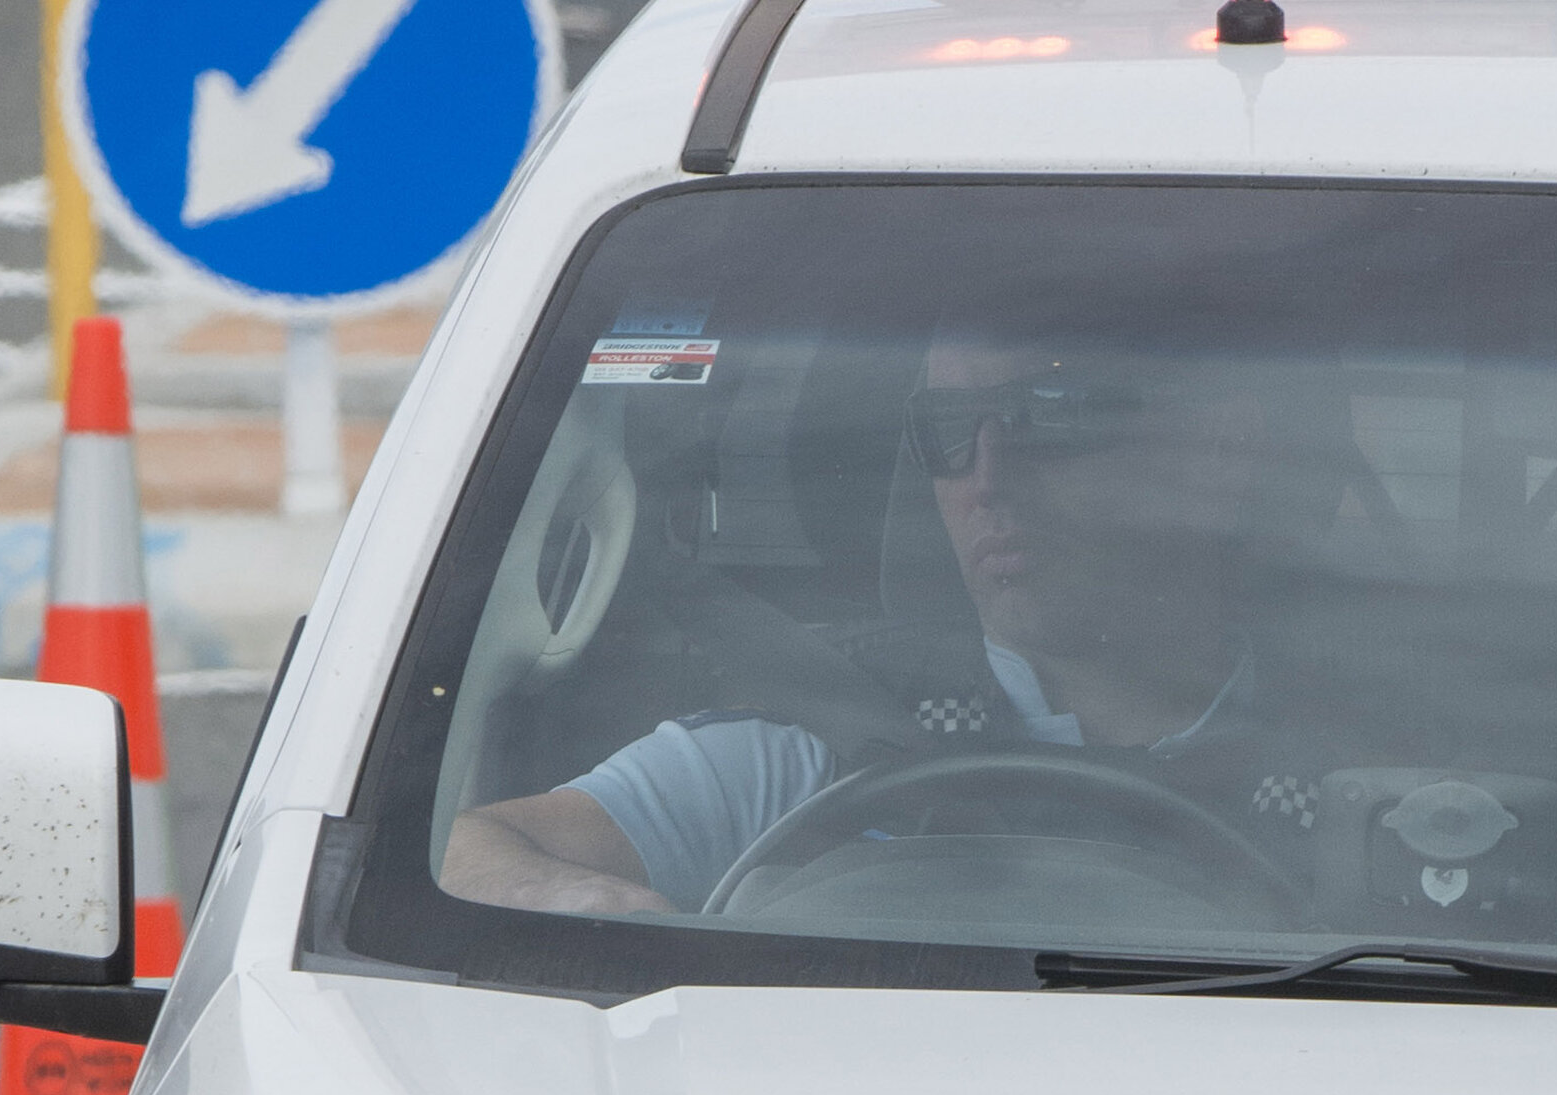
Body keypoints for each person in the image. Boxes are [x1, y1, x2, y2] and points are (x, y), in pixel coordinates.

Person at [439, 332, 1319, 924]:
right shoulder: (812, 748)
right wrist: (625, 922)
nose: (988, 476)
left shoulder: (1380, 769)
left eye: (1049, 417)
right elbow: (464, 849)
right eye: (947, 432)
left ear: (1220, 452)